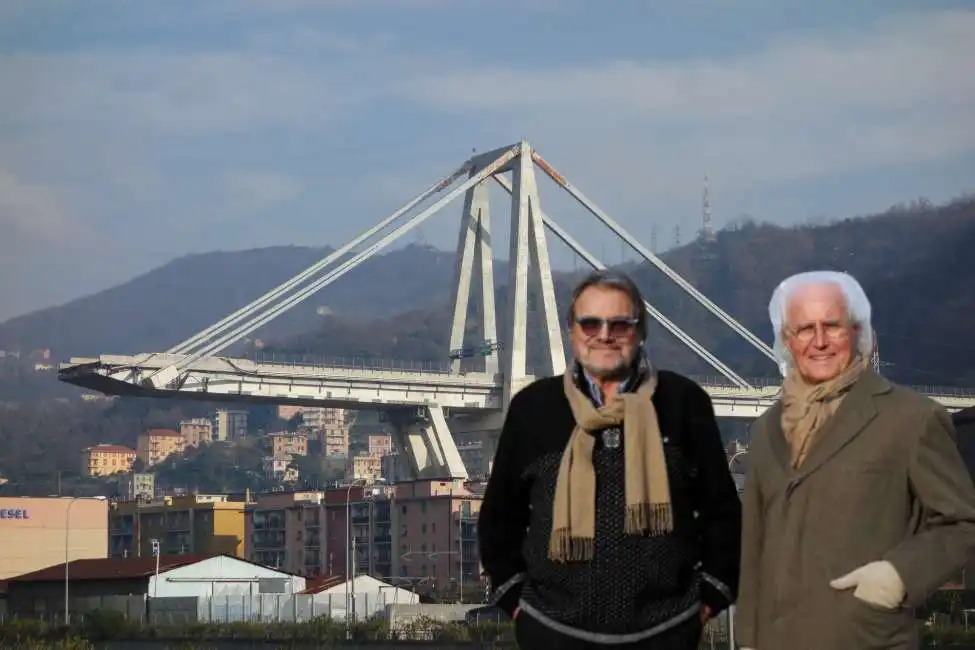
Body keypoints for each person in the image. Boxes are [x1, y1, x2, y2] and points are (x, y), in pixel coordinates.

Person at [478, 269, 742, 649]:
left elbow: (722, 512)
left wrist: (710, 598)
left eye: (619, 324)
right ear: (571, 330)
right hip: (553, 633)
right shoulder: (534, 409)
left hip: (666, 632)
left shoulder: (683, 403)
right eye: (590, 323)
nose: (604, 335)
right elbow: (499, 517)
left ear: (641, 331)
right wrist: (517, 604)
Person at [737, 271, 975, 650]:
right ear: (787, 340)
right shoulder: (767, 428)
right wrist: (747, 640)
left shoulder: (912, 418)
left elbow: (962, 523)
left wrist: (897, 576)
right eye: (804, 329)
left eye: (832, 326)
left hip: (868, 638)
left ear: (857, 332)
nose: (819, 342)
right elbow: (753, 546)